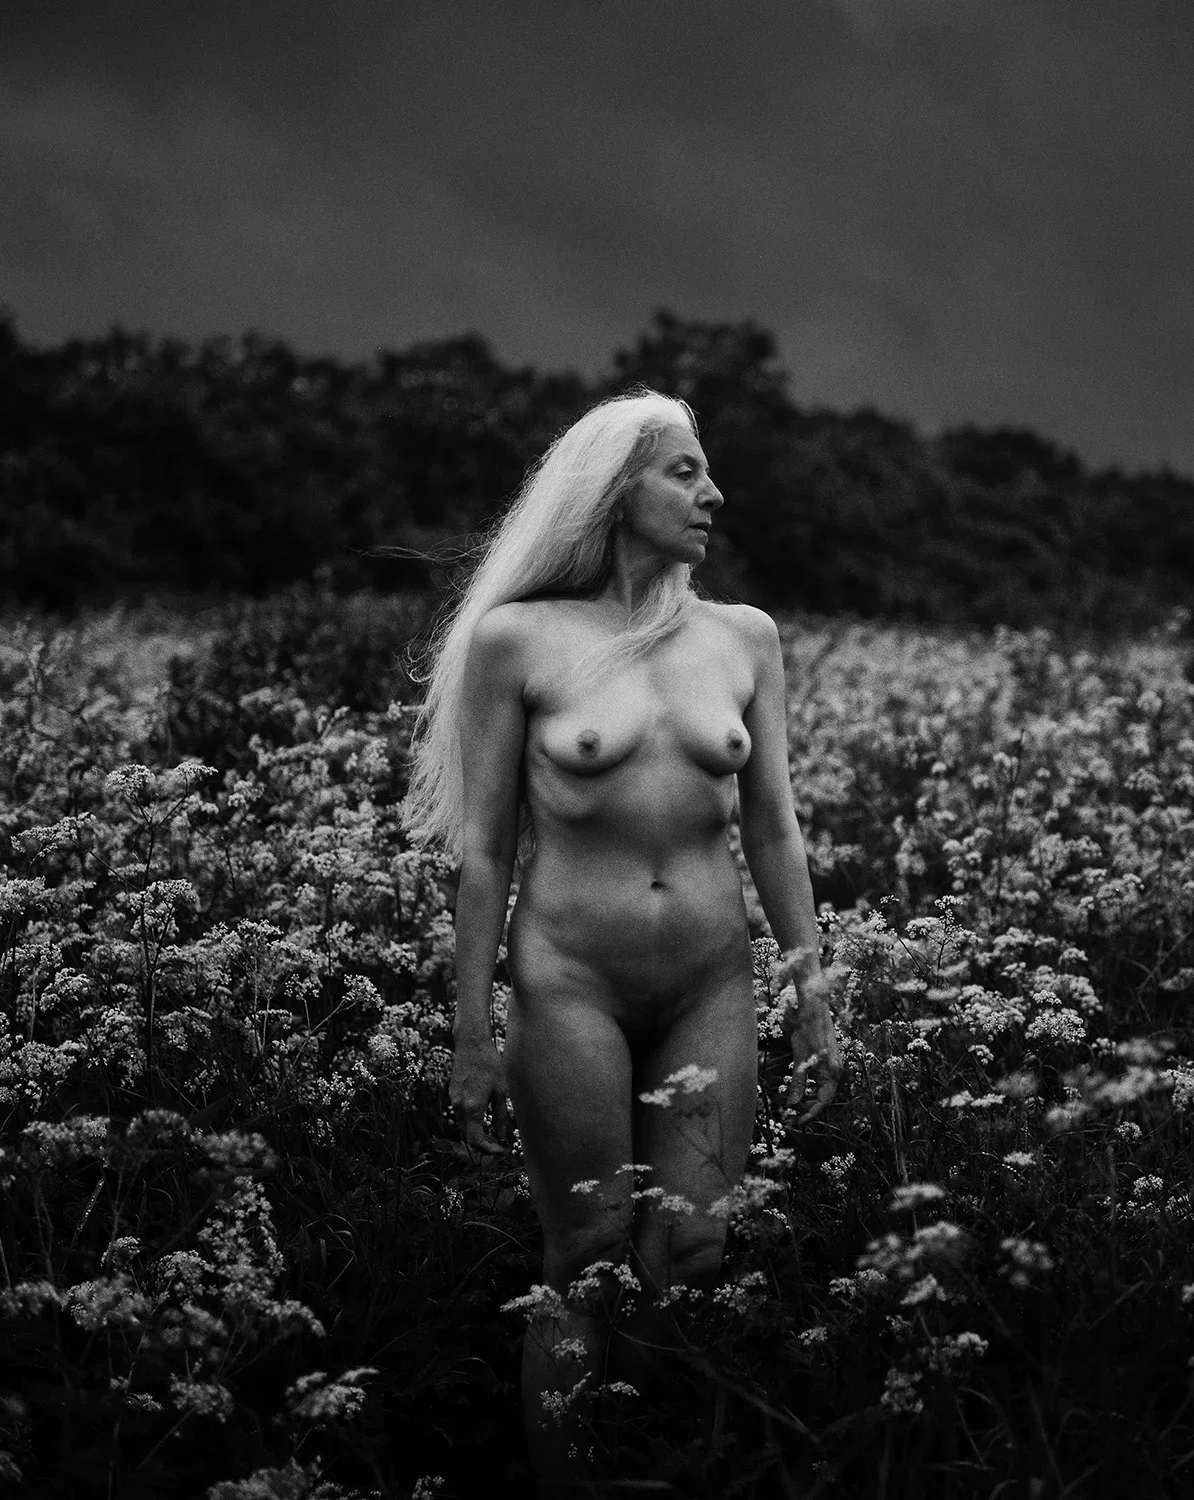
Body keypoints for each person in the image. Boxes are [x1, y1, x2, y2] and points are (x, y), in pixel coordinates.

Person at [403, 388, 842, 1490]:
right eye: (684, 472)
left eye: (708, 471)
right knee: (589, 1259)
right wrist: (467, 1027)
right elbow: (486, 853)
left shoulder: (745, 639)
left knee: (693, 1254)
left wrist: (813, 988)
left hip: (711, 982)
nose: (713, 494)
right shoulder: (520, 641)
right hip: (569, 985)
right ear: (613, 492)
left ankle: (644, 1467)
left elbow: (777, 830)